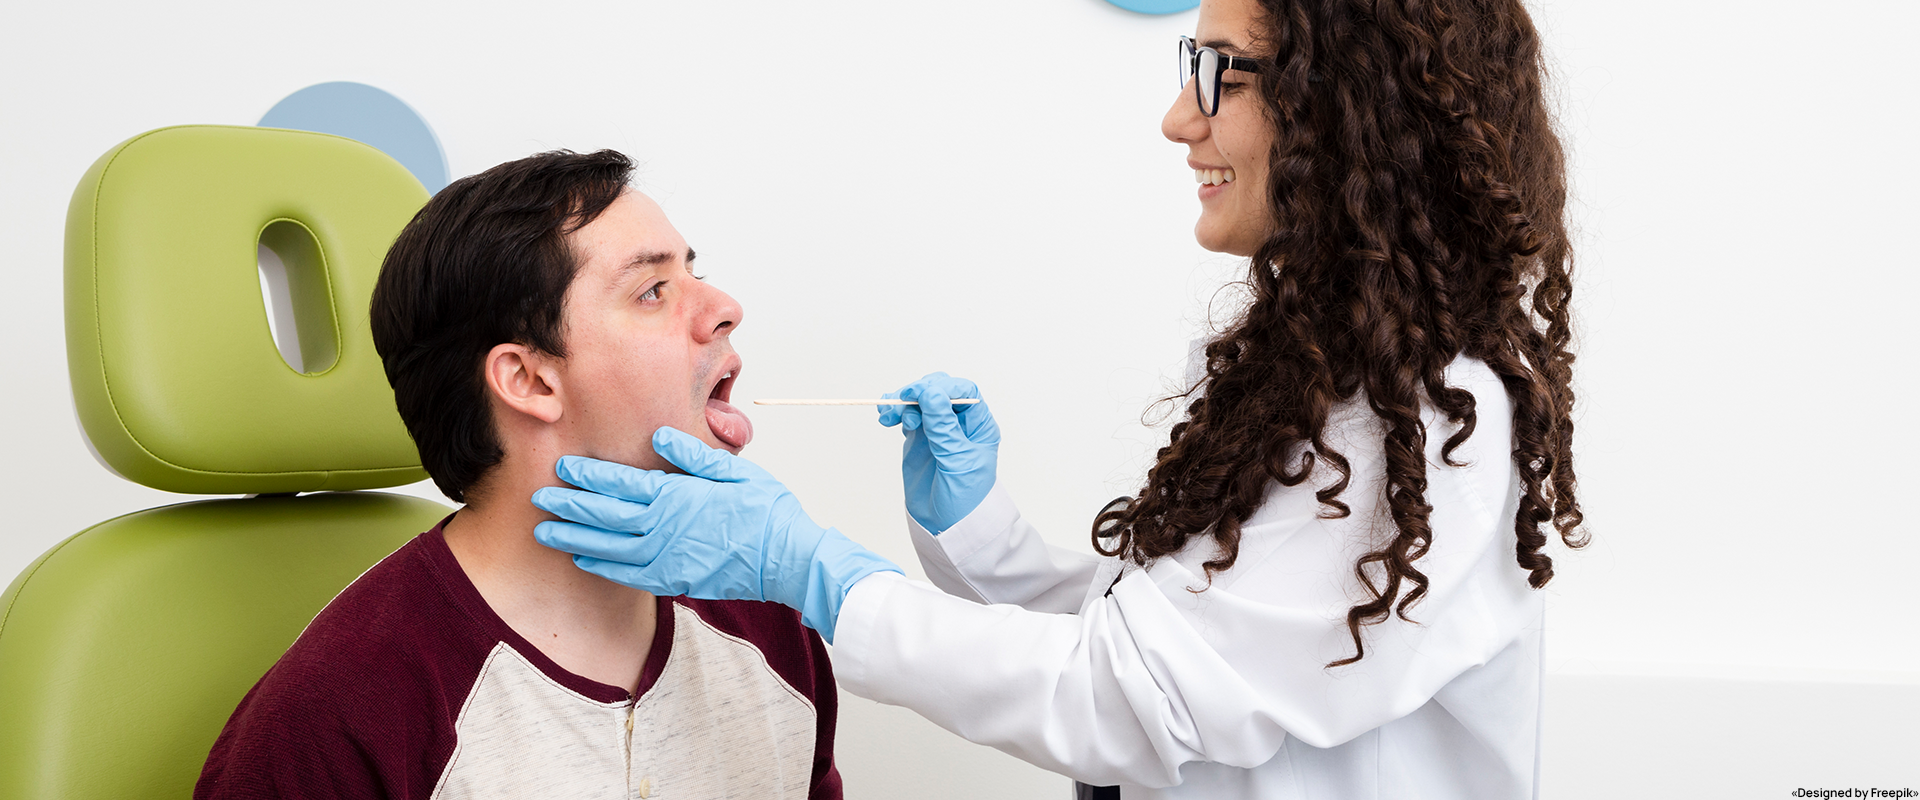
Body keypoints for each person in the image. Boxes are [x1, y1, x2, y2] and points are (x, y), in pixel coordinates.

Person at [530, 0, 1585, 796]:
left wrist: (810, 570)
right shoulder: (1313, 372)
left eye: (1219, 73)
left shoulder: (1432, 422)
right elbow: (1171, 639)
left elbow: (1138, 697)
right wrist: (980, 537)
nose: (1179, 118)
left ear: (1351, 108)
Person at [195, 150, 850, 800]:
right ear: (529, 380)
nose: (726, 307)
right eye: (652, 291)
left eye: (694, 272)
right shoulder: (339, 711)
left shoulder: (767, 625)